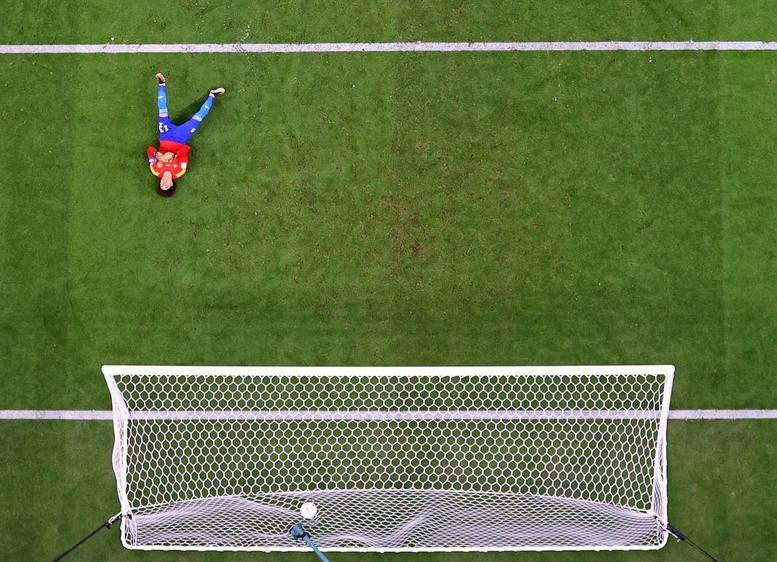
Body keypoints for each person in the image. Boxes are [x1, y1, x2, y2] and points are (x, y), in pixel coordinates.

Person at [147, 73, 225, 196]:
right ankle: (212, 95)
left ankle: (161, 83)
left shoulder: (155, 170)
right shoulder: (180, 171)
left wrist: (157, 154)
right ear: (171, 184)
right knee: (198, 118)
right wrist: (173, 155)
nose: (164, 183)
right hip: (181, 137)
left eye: (162, 185)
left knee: (162, 110)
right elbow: (185, 150)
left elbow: (150, 150)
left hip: (165, 135)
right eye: (166, 185)